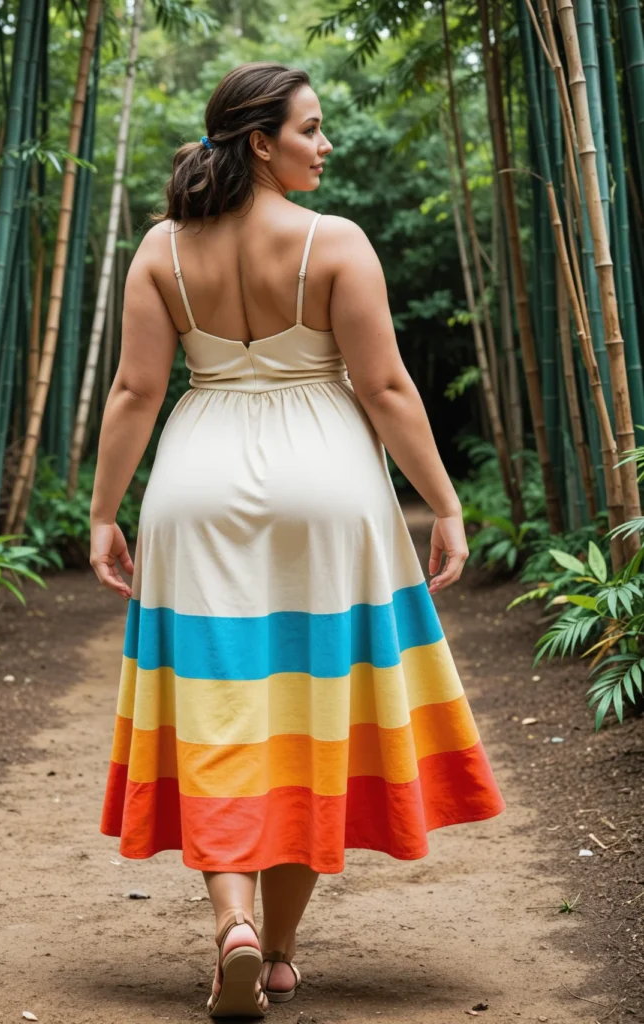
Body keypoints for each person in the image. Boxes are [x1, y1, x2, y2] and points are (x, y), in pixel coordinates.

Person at [90, 61, 506, 1019]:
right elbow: (387, 389)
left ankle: (231, 923)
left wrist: (106, 512)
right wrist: (444, 504)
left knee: (218, 703)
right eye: (311, 129)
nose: (325, 145)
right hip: (326, 486)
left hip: (196, 482)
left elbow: (136, 392)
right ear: (260, 141)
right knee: (309, 709)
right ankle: (277, 953)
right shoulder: (335, 243)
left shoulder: (161, 248)